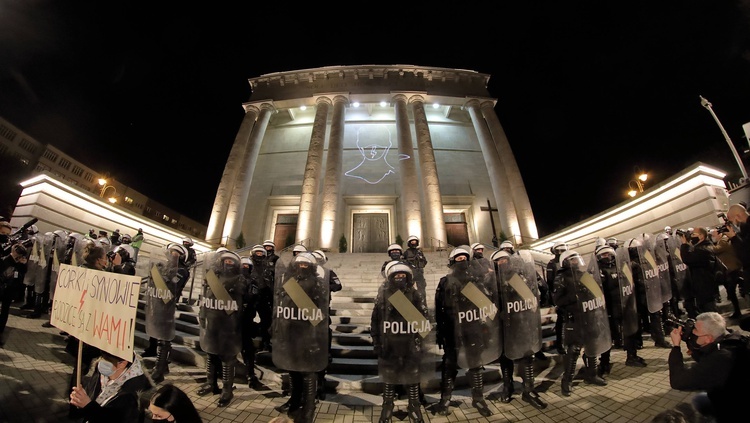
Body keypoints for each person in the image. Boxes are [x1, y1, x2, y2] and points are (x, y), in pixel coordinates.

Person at [431, 246, 499, 417]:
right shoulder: (445, 282)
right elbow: (439, 309)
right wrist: (440, 331)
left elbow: (487, 306)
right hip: (453, 330)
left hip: (472, 328)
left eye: (464, 258)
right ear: (453, 262)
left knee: (475, 364)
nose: (462, 261)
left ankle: (478, 398)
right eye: (458, 259)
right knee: (449, 365)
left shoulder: (475, 281)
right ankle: (445, 399)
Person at [272, 252, 329, 423]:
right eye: (299, 264)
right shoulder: (288, 282)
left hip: (307, 332)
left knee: (308, 373)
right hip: (290, 331)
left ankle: (309, 408)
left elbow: (319, 311)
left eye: (306, 265)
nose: (302, 267)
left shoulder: (316, 283)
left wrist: (316, 336)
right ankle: (294, 402)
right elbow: (281, 305)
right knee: (293, 369)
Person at [371, 261, 430, 423]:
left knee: (412, 379)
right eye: (396, 275)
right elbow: (376, 319)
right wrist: (376, 341)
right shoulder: (384, 295)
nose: (400, 277)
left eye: (403, 275)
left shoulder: (414, 294)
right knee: (389, 379)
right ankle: (387, 408)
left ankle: (414, 406)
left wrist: (421, 342)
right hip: (389, 344)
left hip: (409, 343)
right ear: (390, 277)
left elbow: (424, 320)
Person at [490, 250, 547, 409]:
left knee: (527, 355)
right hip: (503, 325)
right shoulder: (492, 280)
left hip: (521, 323)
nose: (502, 262)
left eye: (504, 259)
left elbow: (529, 298)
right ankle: (508, 386)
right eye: (499, 261)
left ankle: (529, 389)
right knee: (505, 357)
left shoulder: (518, 277)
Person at [667, 311, 748, 423]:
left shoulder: (720, 359)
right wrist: (692, 342)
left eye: (695, 330)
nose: (692, 332)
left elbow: (678, 381)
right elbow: (707, 356)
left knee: (697, 402)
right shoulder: (732, 339)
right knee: (699, 399)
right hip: (731, 395)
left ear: (708, 338)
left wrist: (676, 347)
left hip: (733, 410)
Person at [553, 250, 611, 396]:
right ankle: (567, 381)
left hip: (589, 315)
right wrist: (574, 297)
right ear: (565, 262)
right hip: (573, 318)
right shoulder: (561, 277)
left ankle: (592, 374)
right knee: (573, 350)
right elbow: (557, 300)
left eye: (576, 259)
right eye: (572, 260)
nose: (575, 262)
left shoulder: (583, 275)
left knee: (592, 346)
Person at [197, 249, 246, 407]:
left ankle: (227, 390)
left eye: (231, 261)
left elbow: (244, 297)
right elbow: (206, 297)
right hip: (213, 321)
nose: (228, 263)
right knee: (211, 355)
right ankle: (210, 384)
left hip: (229, 324)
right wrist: (203, 315)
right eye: (225, 260)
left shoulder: (239, 279)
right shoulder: (213, 276)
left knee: (227, 359)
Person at [592, 244, 646, 378]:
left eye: (609, 254)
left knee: (630, 331)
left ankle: (631, 356)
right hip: (608, 309)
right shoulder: (597, 271)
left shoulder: (622, 267)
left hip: (625, 305)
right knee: (608, 336)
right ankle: (604, 362)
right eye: (603, 255)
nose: (607, 256)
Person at [146, 243, 190, 384]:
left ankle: (158, 370)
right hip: (157, 303)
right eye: (171, 252)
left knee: (164, 338)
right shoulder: (165, 266)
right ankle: (163, 365)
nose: (173, 255)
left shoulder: (182, 270)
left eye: (176, 253)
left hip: (168, 305)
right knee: (161, 337)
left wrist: (162, 275)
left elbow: (172, 283)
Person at [69, 350, 152, 423]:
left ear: (122, 363)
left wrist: (89, 406)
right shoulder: (100, 373)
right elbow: (90, 394)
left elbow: (117, 419)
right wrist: (79, 401)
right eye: (101, 357)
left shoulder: (133, 393)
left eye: (106, 362)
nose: (101, 363)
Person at [627, 237, 671, 349]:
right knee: (643, 318)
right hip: (638, 295)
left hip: (648, 293)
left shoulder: (645, 260)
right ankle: (642, 342)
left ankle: (658, 339)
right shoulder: (630, 264)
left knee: (655, 316)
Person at [311, 249, 342, 401]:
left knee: (322, 340)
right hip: (304, 315)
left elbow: (338, 285)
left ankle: (320, 385)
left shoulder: (327, 272)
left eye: (318, 259)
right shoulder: (301, 275)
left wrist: (325, 287)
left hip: (321, 309)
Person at [241, 245, 269, 389]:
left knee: (247, 347)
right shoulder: (235, 279)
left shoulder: (266, 267)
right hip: (232, 319)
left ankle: (250, 375)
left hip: (248, 315)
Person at [679, 227, 719, 316]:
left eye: (693, 234)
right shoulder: (702, 247)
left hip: (705, 285)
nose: (691, 236)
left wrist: (684, 244)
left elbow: (687, 259)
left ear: (701, 236)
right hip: (703, 284)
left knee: (710, 311)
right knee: (707, 311)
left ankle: (720, 328)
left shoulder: (703, 249)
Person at [708, 228, 743, 318]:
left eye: (713, 235)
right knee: (731, 291)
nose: (713, 237)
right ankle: (737, 311)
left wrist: (706, 244)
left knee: (732, 291)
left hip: (733, 269)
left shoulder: (723, 240)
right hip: (732, 269)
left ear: (719, 234)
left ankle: (738, 311)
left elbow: (715, 250)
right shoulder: (722, 240)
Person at [0, 239, 28, 346]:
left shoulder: (20, 263)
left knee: (5, 311)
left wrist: (23, 264)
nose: (19, 256)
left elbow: (22, 274)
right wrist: (13, 258)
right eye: (18, 254)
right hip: (2, 288)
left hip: (10, 290)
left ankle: (1, 331)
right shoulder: (5, 260)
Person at [546, 241, 568, 354]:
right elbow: (550, 282)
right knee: (561, 320)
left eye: (563, 250)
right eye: (559, 250)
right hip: (560, 296)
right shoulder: (552, 264)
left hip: (570, 295)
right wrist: (554, 298)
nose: (562, 252)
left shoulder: (568, 261)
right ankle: (560, 344)